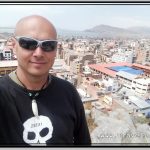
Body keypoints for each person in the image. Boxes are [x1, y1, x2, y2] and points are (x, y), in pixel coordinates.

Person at [0, 15, 91, 146]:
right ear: (14, 46)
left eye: (48, 45)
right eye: (29, 44)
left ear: (56, 50)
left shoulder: (68, 92)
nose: (38, 53)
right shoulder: (3, 96)